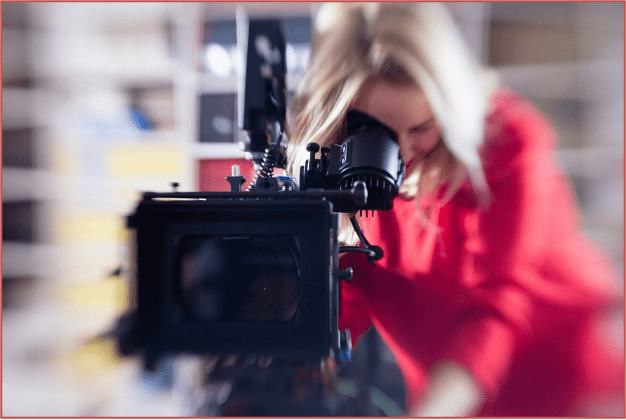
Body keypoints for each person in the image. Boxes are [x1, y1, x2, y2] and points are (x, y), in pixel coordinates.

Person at [286, 3, 623, 417]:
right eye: (376, 134)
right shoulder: (336, 163)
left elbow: (495, 305)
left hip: (573, 380)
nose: (402, 154)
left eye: (420, 128)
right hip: (450, 391)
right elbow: (345, 294)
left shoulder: (509, 141)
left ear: (446, 109)